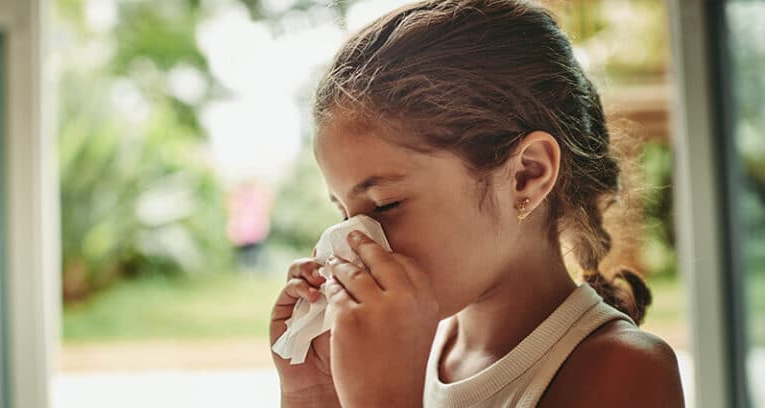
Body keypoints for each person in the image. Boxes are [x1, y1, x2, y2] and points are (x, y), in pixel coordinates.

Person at [270, 0, 685, 406]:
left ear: (526, 176)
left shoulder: (626, 370)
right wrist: (314, 395)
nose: (352, 244)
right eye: (343, 213)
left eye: (385, 205)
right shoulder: (414, 349)